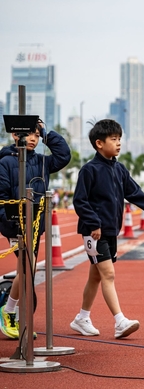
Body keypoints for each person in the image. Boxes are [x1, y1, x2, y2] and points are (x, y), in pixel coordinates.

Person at [70, 119, 144, 339]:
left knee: (96, 276)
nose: (119, 143)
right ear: (99, 143)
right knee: (108, 274)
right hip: (94, 232)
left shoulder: (119, 169)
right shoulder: (89, 170)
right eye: (114, 139)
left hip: (111, 231)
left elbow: (134, 192)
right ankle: (120, 321)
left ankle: (82, 318)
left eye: (120, 139)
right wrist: (94, 223)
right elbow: (80, 201)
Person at [0, 122, 71, 340]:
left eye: (37, 135)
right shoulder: (5, 162)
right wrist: (11, 221)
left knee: (27, 271)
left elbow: (64, 155)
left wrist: (47, 133)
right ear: (15, 135)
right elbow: (2, 197)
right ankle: (9, 311)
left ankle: (14, 313)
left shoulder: (42, 162)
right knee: (27, 268)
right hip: (15, 225)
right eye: (29, 134)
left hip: (35, 225)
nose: (33, 138)